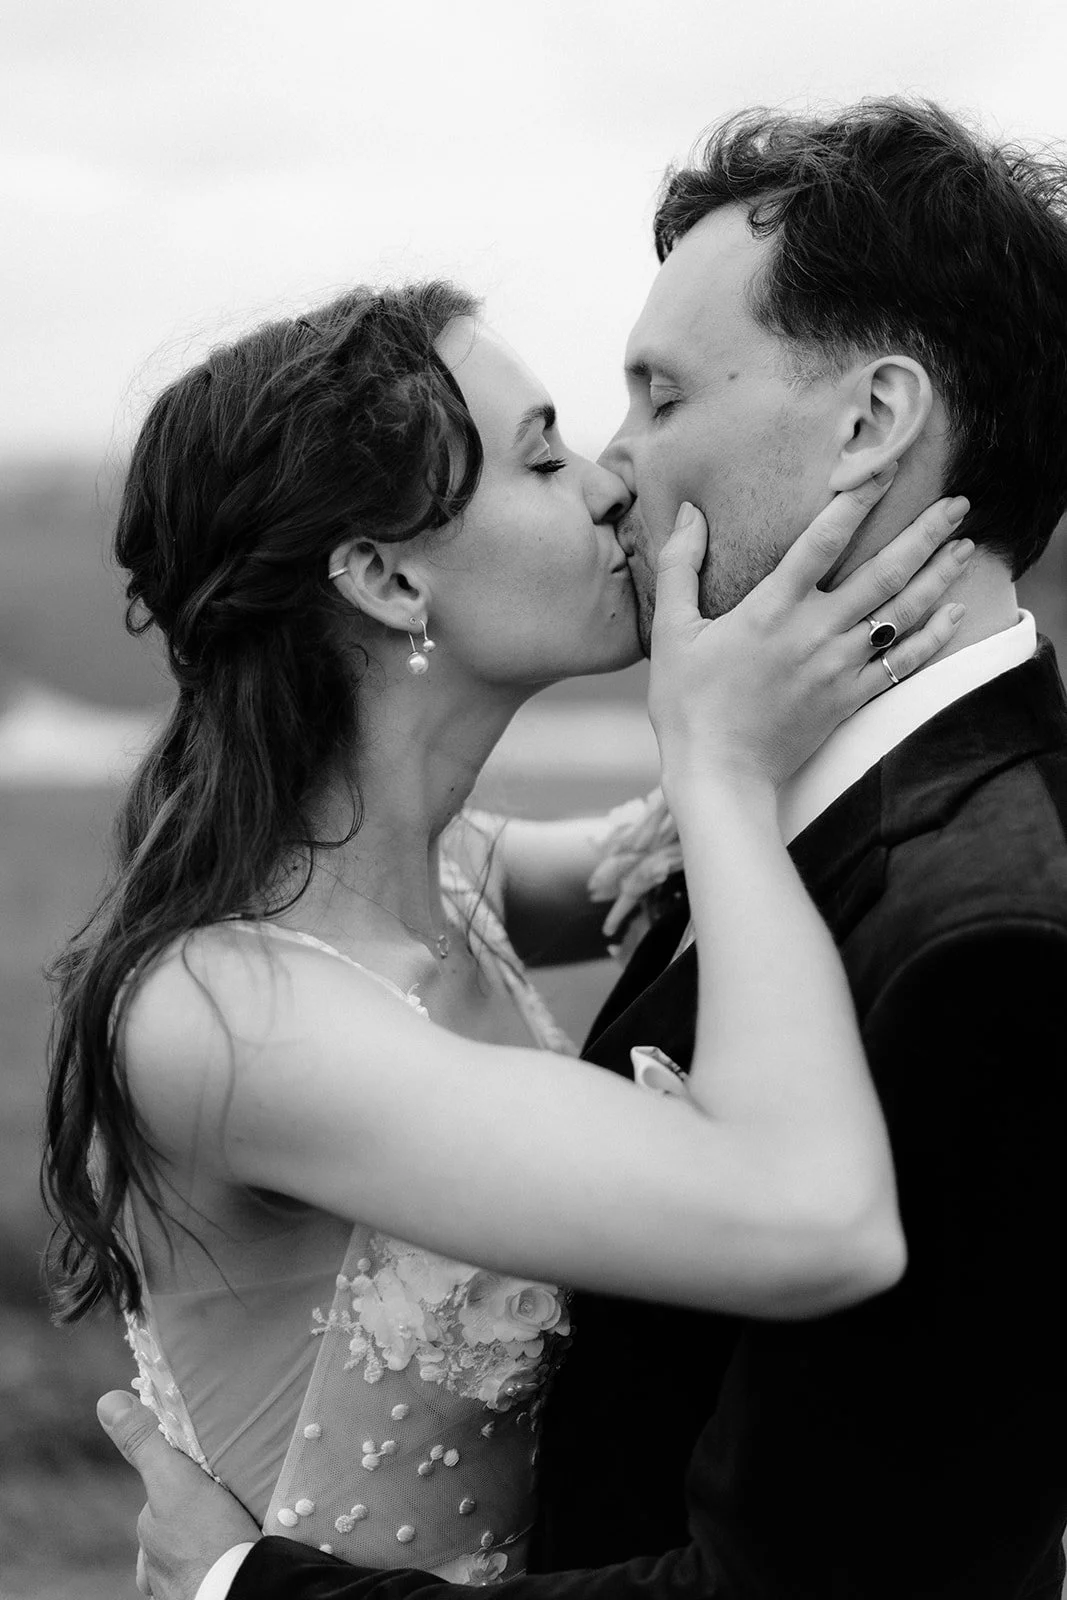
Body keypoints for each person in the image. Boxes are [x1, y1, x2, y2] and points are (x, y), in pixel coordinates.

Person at [97, 99, 1067, 1599]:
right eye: (543, 460)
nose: (613, 476)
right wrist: (719, 773)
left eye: (652, 400)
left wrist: (734, 766)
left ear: (874, 421)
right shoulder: (232, 1009)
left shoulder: (473, 878)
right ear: (385, 579)